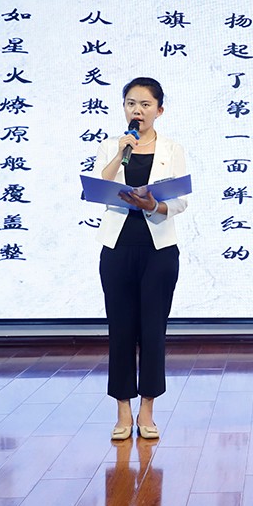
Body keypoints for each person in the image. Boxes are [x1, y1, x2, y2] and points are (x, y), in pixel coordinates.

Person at [96, 77, 187, 440]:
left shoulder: (172, 148)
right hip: (117, 248)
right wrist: (121, 152)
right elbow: (100, 186)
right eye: (131, 104)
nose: (137, 110)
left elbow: (180, 200)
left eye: (145, 104)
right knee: (120, 330)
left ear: (159, 110)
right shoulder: (112, 146)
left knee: (152, 331)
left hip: (158, 251)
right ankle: (122, 411)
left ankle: (147, 411)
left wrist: (153, 204)